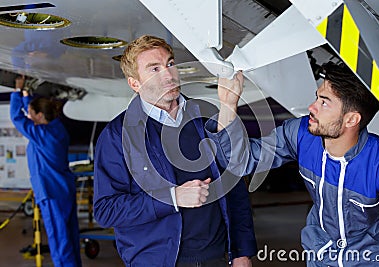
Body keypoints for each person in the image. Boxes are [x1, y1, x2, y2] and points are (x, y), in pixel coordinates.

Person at [206, 62, 379, 266]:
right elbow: (240, 161)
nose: (311, 107)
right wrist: (228, 104)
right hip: (320, 258)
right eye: (317, 97)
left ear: (351, 119)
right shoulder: (300, 134)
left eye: (324, 103)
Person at [93, 35, 257, 267]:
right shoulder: (116, 136)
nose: (169, 75)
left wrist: (242, 251)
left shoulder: (206, 118)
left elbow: (235, 185)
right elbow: (106, 210)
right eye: (155, 69)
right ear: (135, 83)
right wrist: (172, 198)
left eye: (170, 64)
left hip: (217, 257)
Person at [9, 76, 82, 267]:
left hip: (50, 193)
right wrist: (26, 95)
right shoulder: (57, 130)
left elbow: (16, 118)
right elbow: (33, 112)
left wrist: (17, 91)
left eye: (32, 115)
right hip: (64, 190)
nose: (30, 118)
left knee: (59, 240)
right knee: (70, 236)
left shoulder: (41, 135)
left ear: (40, 116)